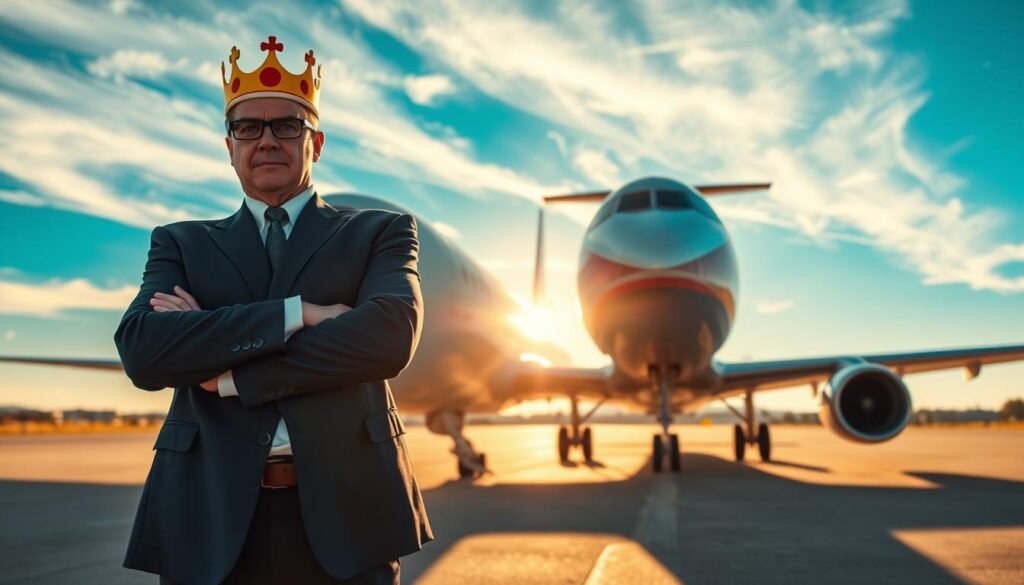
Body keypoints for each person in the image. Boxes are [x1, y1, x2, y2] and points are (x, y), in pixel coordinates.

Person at [114, 36, 432, 584]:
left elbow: (388, 338)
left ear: (317, 143)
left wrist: (228, 374)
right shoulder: (181, 243)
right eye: (248, 127)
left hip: (350, 521)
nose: (266, 140)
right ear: (229, 146)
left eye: (287, 126)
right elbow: (144, 352)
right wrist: (299, 313)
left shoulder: (381, 231)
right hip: (207, 519)